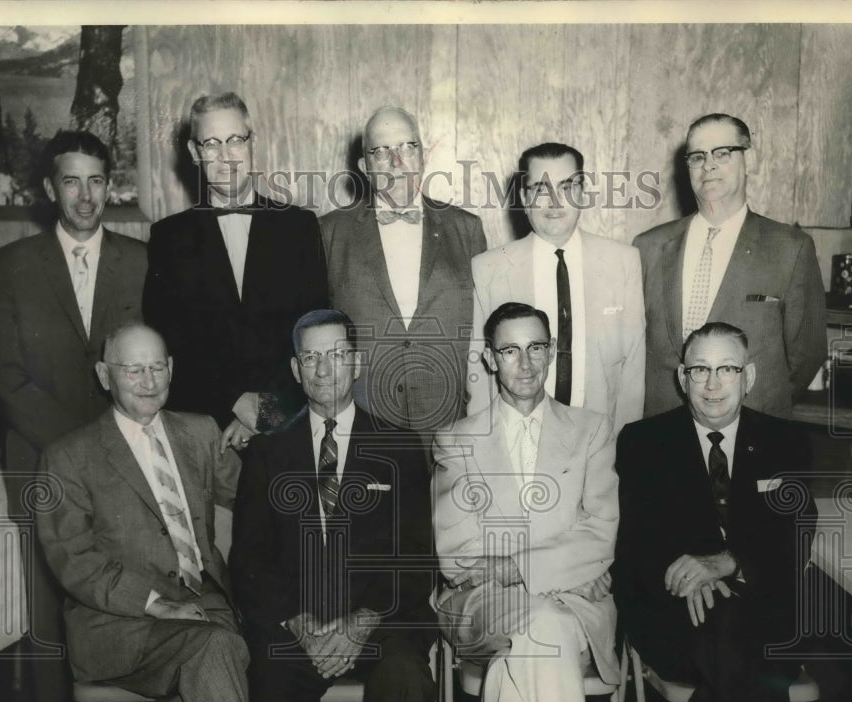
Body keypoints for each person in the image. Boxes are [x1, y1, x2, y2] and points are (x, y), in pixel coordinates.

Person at [0, 130, 147, 702]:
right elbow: (5, 373)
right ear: (51, 190)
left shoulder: (139, 260)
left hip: (123, 459)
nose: (85, 195)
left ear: (111, 186)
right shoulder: (11, 263)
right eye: (71, 181)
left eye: (97, 181)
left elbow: (148, 365)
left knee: (131, 585)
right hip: (43, 461)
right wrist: (79, 446)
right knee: (50, 603)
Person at [36, 323, 256, 702]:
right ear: (103, 374)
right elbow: (73, 560)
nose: (148, 380)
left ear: (172, 369)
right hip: (120, 625)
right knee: (214, 650)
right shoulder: (68, 457)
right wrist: (157, 605)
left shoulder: (199, 432)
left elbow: (257, 500)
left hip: (206, 611)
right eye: (132, 369)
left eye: (157, 367)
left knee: (203, 668)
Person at [228, 309, 437, 702]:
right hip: (299, 625)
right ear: (296, 370)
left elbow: (414, 561)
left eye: (337, 355)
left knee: (407, 679)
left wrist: (360, 622)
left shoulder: (400, 447)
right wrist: (298, 622)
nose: (324, 370)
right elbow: (250, 563)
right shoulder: (266, 453)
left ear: (358, 362)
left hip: (379, 620)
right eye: (312, 358)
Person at [612, 321, 822, 702]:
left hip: (767, 617)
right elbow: (635, 542)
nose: (712, 385)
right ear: (681, 377)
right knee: (725, 632)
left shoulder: (785, 441)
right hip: (676, 614)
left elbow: (796, 533)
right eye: (700, 370)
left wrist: (728, 562)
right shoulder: (643, 442)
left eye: (726, 369)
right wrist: (689, 576)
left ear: (748, 375)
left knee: (728, 655)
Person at [433, 301, 619, 702]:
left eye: (537, 347)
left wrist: (513, 565)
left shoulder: (591, 430)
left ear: (552, 351)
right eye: (510, 350)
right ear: (490, 359)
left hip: (574, 609)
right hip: (480, 609)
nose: (526, 363)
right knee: (542, 624)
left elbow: (602, 532)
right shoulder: (457, 439)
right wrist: (563, 565)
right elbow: (458, 556)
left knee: (524, 657)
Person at [144, 91, 328, 449]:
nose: (226, 155)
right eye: (211, 144)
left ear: (252, 143)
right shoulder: (168, 237)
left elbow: (313, 331)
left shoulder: (299, 226)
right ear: (195, 153)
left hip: (286, 423)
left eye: (235, 140)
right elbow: (169, 340)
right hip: (205, 426)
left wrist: (266, 414)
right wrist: (233, 403)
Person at [635, 113, 826, 419]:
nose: (708, 165)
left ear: (749, 160)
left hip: (753, 430)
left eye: (722, 153)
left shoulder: (790, 248)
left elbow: (807, 353)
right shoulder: (648, 247)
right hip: (664, 434)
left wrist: (754, 407)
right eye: (697, 156)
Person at [321, 106, 487, 446]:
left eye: (407, 148)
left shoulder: (466, 229)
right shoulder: (329, 232)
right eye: (380, 152)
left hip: (448, 422)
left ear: (423, 157)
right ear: (364, 167)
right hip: (364, 418)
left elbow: (482, 333)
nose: (396, 163)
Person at [468, 142, 645, 435]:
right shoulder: (489, 269)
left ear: (583, 193)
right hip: (516, 441)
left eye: (566, 187)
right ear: (525, 198)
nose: (554, 201)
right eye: (540, 189)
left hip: (598, 443)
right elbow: (478, 374)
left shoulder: (623, 262)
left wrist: (626, 452)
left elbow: (633, 373)